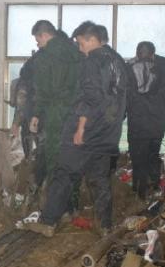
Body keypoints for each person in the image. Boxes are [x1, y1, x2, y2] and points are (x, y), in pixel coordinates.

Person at [26, 22, 128, 237]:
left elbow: (90, 98)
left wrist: (80, 129)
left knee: (63, 172)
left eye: (81, 43)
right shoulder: (118, 61)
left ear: (92, 40)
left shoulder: (92, 61)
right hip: (108, 132)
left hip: (86, 130)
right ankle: (105, 226)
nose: (80, 49)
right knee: (100, 179)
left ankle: (48, 222)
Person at [29, 21, 82, 188]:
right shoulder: (77, 51)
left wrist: (36, 114)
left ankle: (56, 197)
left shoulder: (44, 57)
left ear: (44, 35)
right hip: (78, 112)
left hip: (56, 112)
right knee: (73, 155)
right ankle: (73, 197)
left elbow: (43, 90)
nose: (38, 44)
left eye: (38, 40)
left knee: (54, 157)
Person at [125, 41, 165, 201]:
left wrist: (119, 116)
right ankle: (154, 186)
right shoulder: (161, 70)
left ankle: (138, 189)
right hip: (156, 123)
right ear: (153, 54)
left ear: (137, 54)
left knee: (137, 156)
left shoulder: (128, 70)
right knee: (153, 155)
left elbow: (122, 97)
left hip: (137, 122)